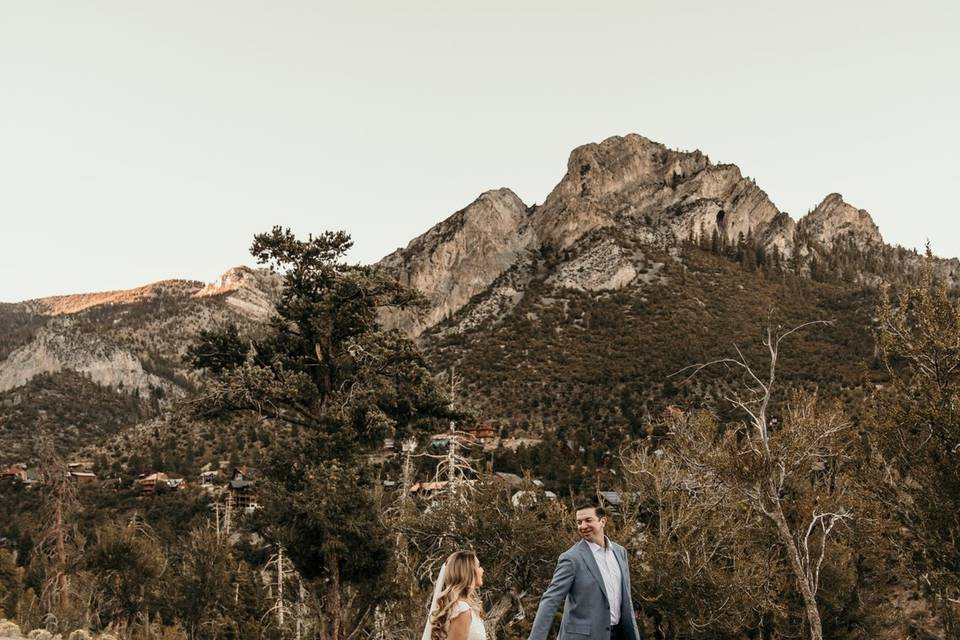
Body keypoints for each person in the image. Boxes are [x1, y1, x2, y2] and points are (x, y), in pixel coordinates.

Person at [527, 503, 643, 640]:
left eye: (588, 520)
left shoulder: (620, 552)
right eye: (579, 522)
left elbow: (625, 598)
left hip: (619, 634)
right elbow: (550, 600)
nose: (582, 526)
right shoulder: (571, 559)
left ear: (603, 521)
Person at [422, 549, 487, 640]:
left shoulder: (466, 608)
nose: (482, 570)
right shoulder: (463, 610)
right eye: (479, 566)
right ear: (469, 572)